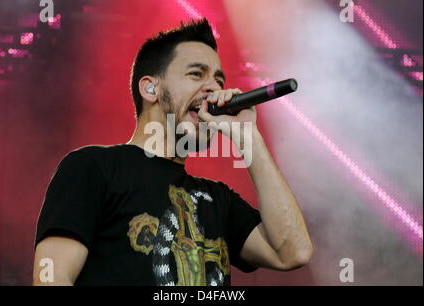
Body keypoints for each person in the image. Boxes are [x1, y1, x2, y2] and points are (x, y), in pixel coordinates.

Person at [32, 18, 313, 286]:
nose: (214, 89)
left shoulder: (218, 199)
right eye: (196, 74)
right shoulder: (93, 167)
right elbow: (51, 278)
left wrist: (249, 139)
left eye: (218, 80)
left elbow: (293, 252)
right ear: (151, 88)